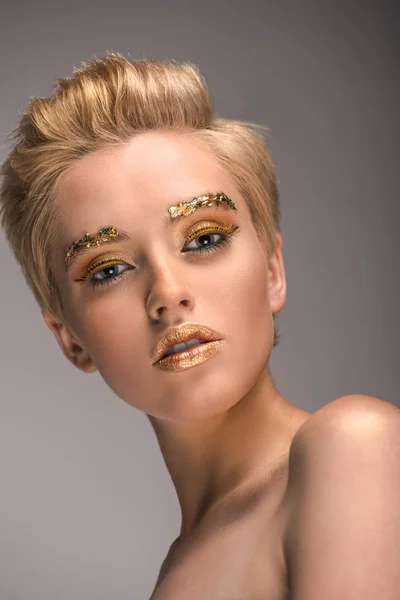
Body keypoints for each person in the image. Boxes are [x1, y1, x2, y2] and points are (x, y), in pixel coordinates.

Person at [1, 53, 398, 599]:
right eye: (109, 269)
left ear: (273, 271)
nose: (167, 294)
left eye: (205, 238)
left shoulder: (353, 445)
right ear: (69, 338)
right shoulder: (180, 566)